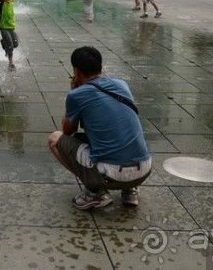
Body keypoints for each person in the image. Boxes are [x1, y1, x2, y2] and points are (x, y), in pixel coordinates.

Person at [47, 46, 151, 210]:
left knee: (54, 139)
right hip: (144, 170)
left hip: (110, 174)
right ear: (101, 68)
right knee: (118, 132)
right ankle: (130, 190)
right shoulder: (122, 85)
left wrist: (75, 90)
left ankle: (94, 192)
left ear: (76, 71)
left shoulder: (77, 95)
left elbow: (67, 131)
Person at [0, 0, 19, 71]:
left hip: (12, 26)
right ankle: (11, 63)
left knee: (15, 44)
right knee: (10, 45)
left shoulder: (11, 0)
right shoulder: (0, 1)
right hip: (4, 27)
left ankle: (4, 42)